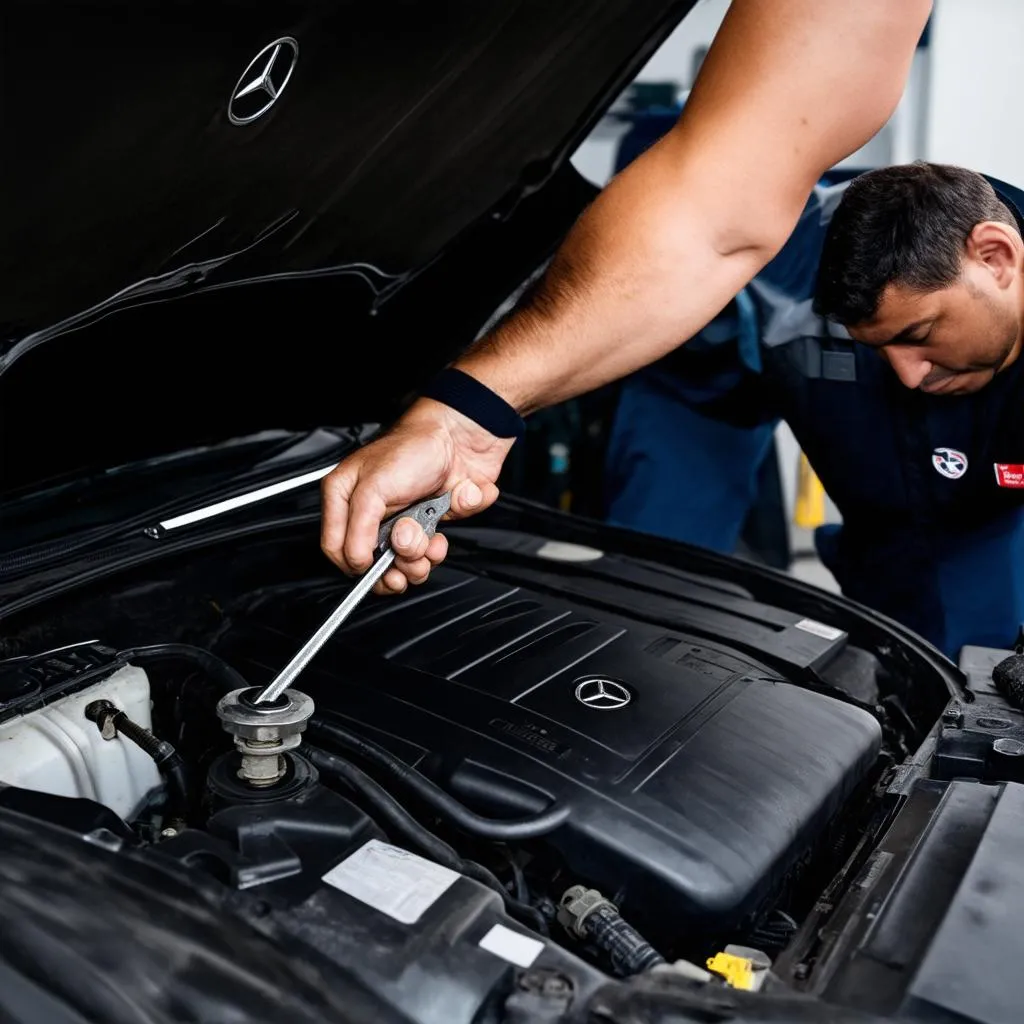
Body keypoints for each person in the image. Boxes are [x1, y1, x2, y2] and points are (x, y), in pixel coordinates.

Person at [320, 0, 933, 595]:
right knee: (657, 565)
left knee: (932, 561)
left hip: (817, 324)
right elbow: (713, 224)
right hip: (689, 361)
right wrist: (457, 422)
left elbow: (719, 223)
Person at [603, 162, 1024, 658]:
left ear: (996, 259)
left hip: (980, 533)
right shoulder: (777, 266)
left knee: (979, 670)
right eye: (877, 347)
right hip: (870, 527)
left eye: (919, 334)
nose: (909, 375)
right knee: (645, 609)